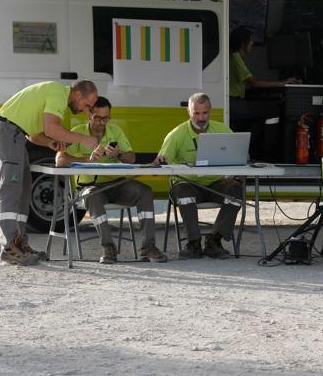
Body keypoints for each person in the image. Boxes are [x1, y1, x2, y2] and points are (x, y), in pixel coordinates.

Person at [0, 80, 99, 266]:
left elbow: (33, 134)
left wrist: (49, 142)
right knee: (11, 190)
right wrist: (83, 139)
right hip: (8, 132)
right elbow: (52, 128)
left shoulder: (55, 95)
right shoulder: (58, 93)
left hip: (13, 133)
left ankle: (20, 243)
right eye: (87, 105)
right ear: (78, 94)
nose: (85, 110)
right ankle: (9, 247)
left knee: (24, 189)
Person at [55, 97, 168, 264]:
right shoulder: (78, 132)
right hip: (90, 187)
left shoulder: (115, 131)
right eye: (98, 118)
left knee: (145, 191)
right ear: (89, 115)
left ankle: (148, 246)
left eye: (106, 118)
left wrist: (119, 154)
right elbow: (60, 159)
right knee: (93, 196)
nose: (102, 123)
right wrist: (88, 160)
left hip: (117, 184)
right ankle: (108, 247)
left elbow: (131, 158)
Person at [157, 92, 243, 258]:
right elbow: (161, 162)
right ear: (188, 112)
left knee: (235, 190)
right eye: (196, 113)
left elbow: (239, 156)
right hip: (187, 184)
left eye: (205, 113)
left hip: (215, 184)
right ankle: (193, 243)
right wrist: (161, 161)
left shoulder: (223, 130)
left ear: (211, 111)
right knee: (183, 192)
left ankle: (214, 241)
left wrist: (237, 171)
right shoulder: (176, 134)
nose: (201, 118)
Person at [228, 26, 299, 158]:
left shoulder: (234, 57)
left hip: (234, 101)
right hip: (233, 103)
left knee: (260, 115)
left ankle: (249, 146)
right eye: (250, 40)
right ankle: (269, 150)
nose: (252, 43)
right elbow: (254, 83)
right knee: (272, 110)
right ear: (243, 43)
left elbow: (243, 84)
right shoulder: (236, 58)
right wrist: (282, 83)